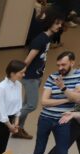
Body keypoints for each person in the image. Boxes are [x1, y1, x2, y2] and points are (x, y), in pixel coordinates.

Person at [17, 10, 64, 138]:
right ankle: (11, 121)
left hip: (37, 76)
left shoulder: (48, 38)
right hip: (30, 77)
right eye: (57, 23)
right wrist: (18, 74)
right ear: (50, 23)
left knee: (26, 104)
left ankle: (18, 129)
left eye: (60, 23)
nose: (59, 26)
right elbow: (28, 60)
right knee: (31, 105)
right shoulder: (40, 40)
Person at [32, 50, 80, 154]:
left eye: (63, 65)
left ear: (72, 63)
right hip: (45, 118)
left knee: (62, 153)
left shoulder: (78, 76)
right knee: (38, 150)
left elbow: (77, 99)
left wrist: (63, 87)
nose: (60, 68)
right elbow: (44, 102)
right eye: (58, 65)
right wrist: (67, 98)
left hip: (63, 120)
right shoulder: (52, 77)